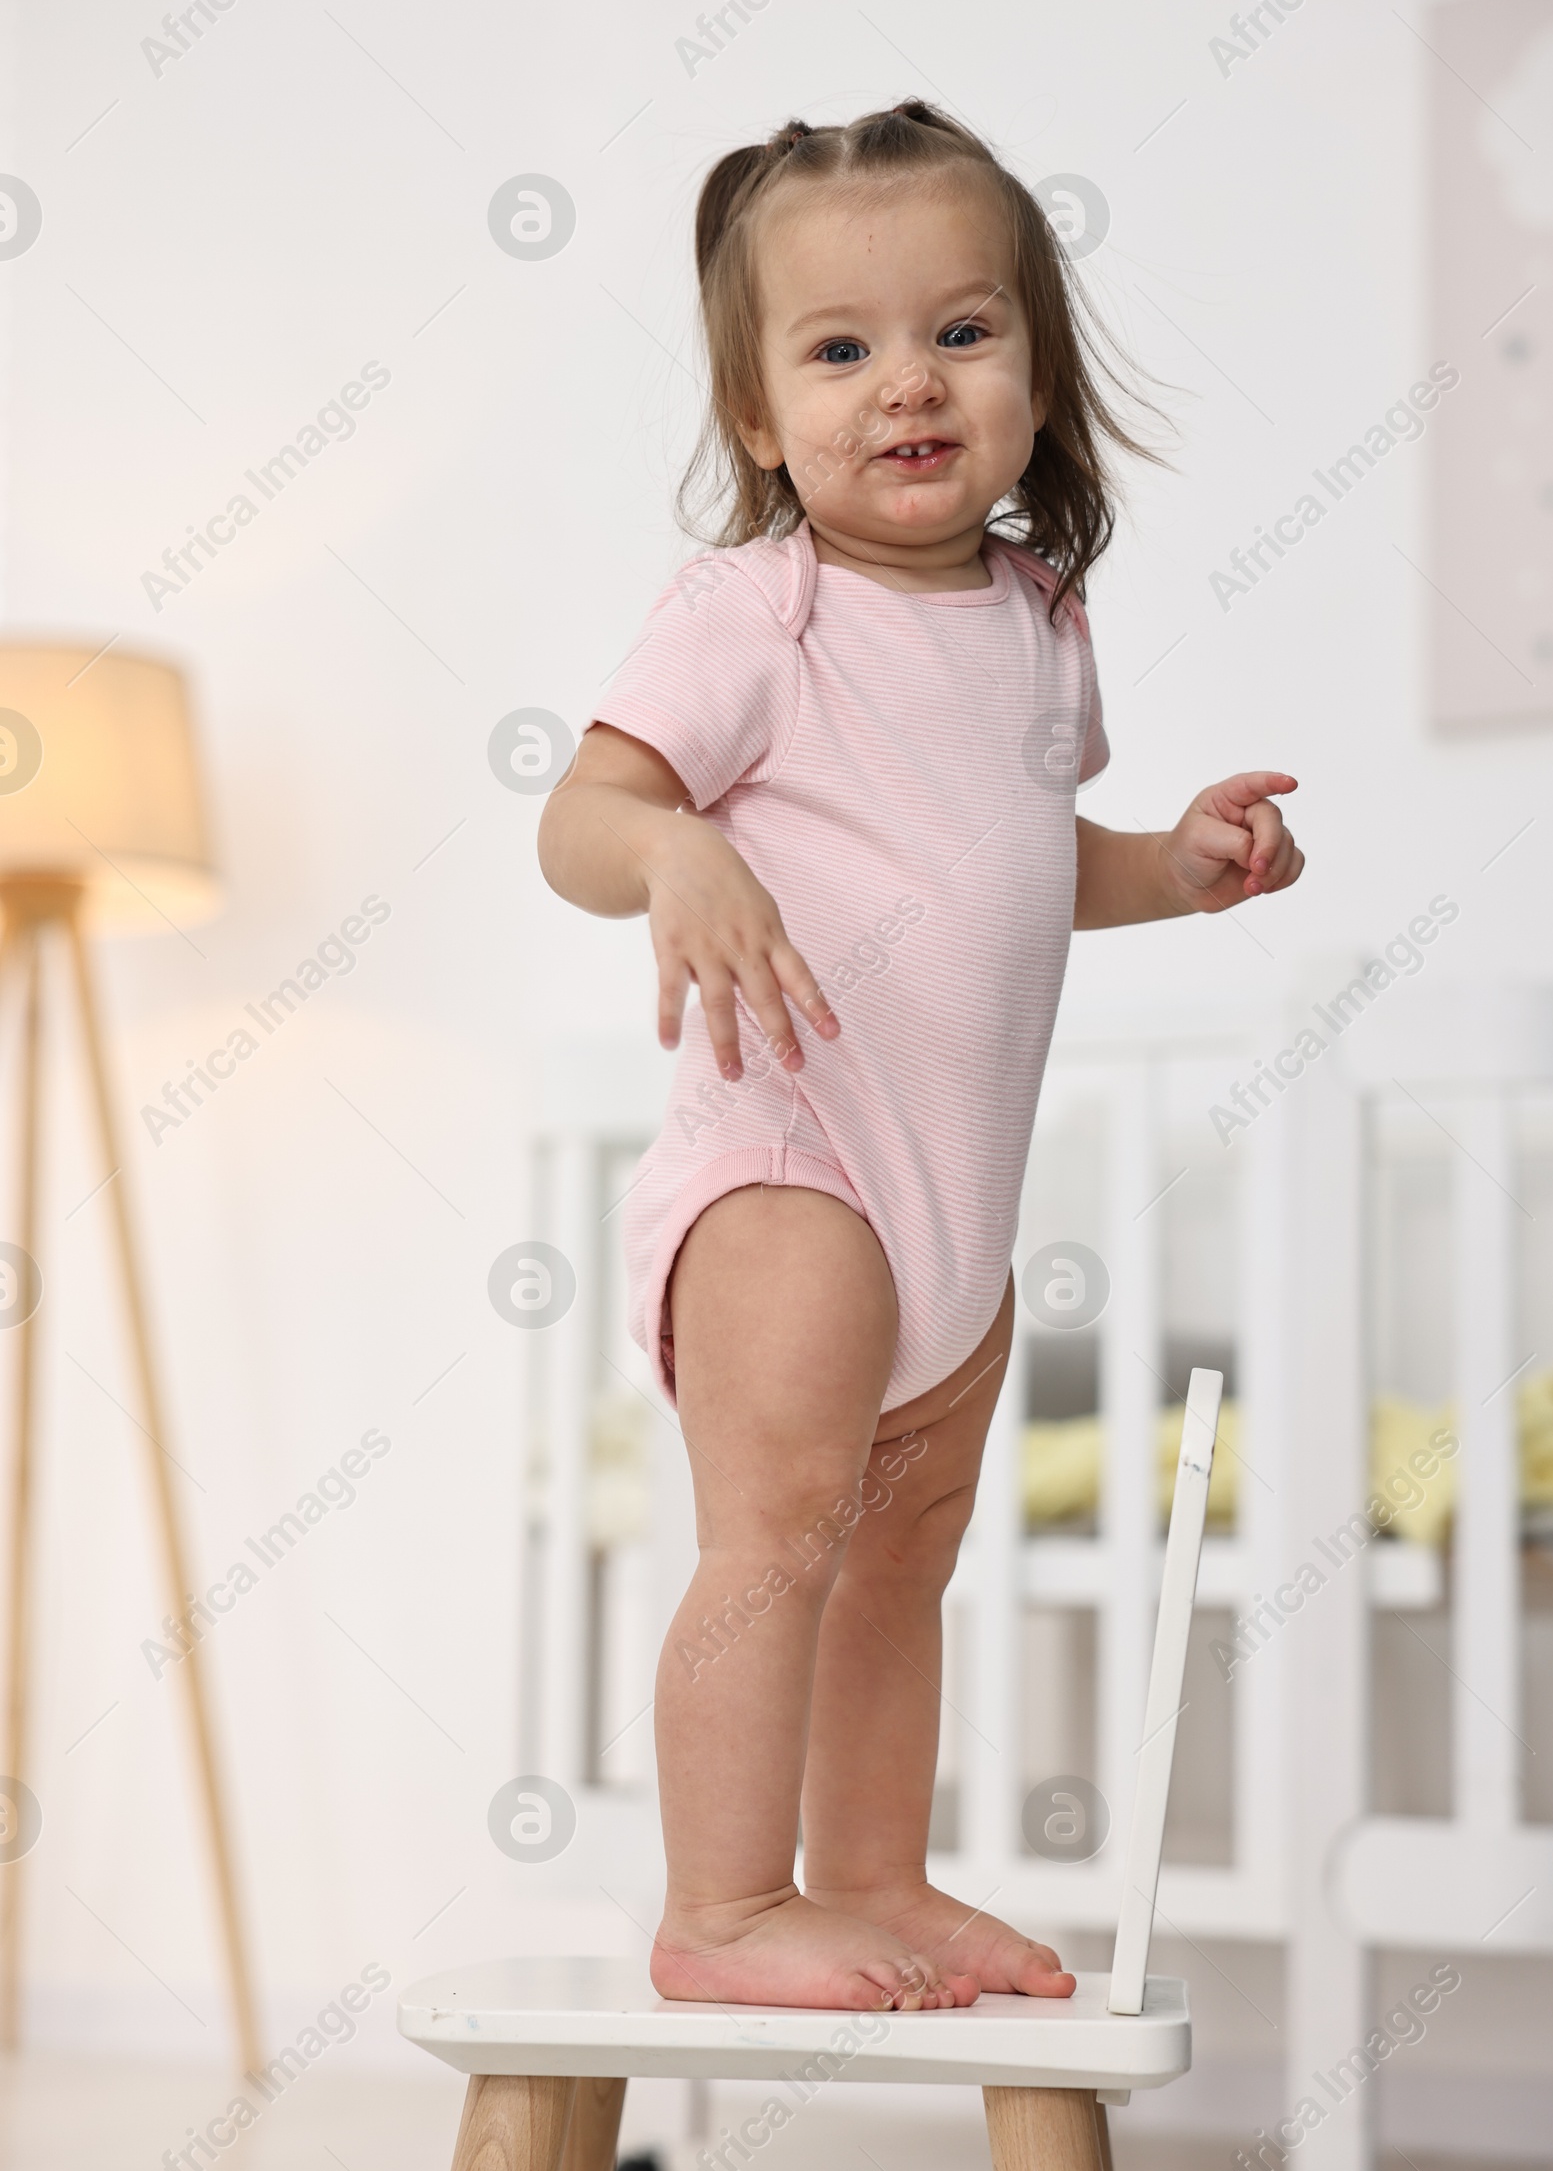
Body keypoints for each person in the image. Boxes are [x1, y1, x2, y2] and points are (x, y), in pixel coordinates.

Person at [539, 101, 1303, 2013]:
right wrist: (679, 847)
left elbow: (1014, 862)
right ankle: (719, 1907)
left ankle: (870, 1870)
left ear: (1036, 377)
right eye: (841, 347)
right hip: (790, 1167)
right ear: (754, 409)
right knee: (779, 1536)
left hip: (954, 1213)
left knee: (908, 1552)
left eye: (962, 333)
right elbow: (580, 822)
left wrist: (1180, 872)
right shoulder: (753, 614)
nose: (909, 387)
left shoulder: (1041, 620)